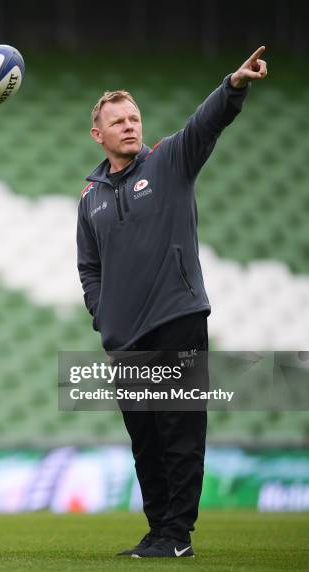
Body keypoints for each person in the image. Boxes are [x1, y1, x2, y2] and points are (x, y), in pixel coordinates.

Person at [76, 47, 267, 558]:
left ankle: (177, 534)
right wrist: (103, 312)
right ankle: (157, 529)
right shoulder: (89, 196)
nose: (128, 126)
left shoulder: (168, 160)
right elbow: (88, 267)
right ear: (98, 134)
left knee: (179, 430)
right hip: (126, 335)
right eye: (117, 121)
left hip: (177, 318)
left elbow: (205, 124)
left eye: (133, 117)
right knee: (145, 440)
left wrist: (233, 86)